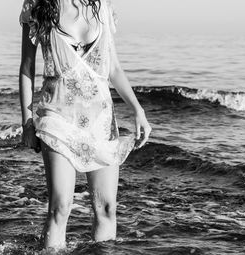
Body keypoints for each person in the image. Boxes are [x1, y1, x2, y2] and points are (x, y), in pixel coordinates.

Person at [18, 0, 152, 250]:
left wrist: (138, 109)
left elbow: (113, 68)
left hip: (99, 121)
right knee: (60, 208)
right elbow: (27, 69)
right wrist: (27, 122)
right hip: (57, 117)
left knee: (107, 208)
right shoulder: (38, 5)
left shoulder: (102, 7)